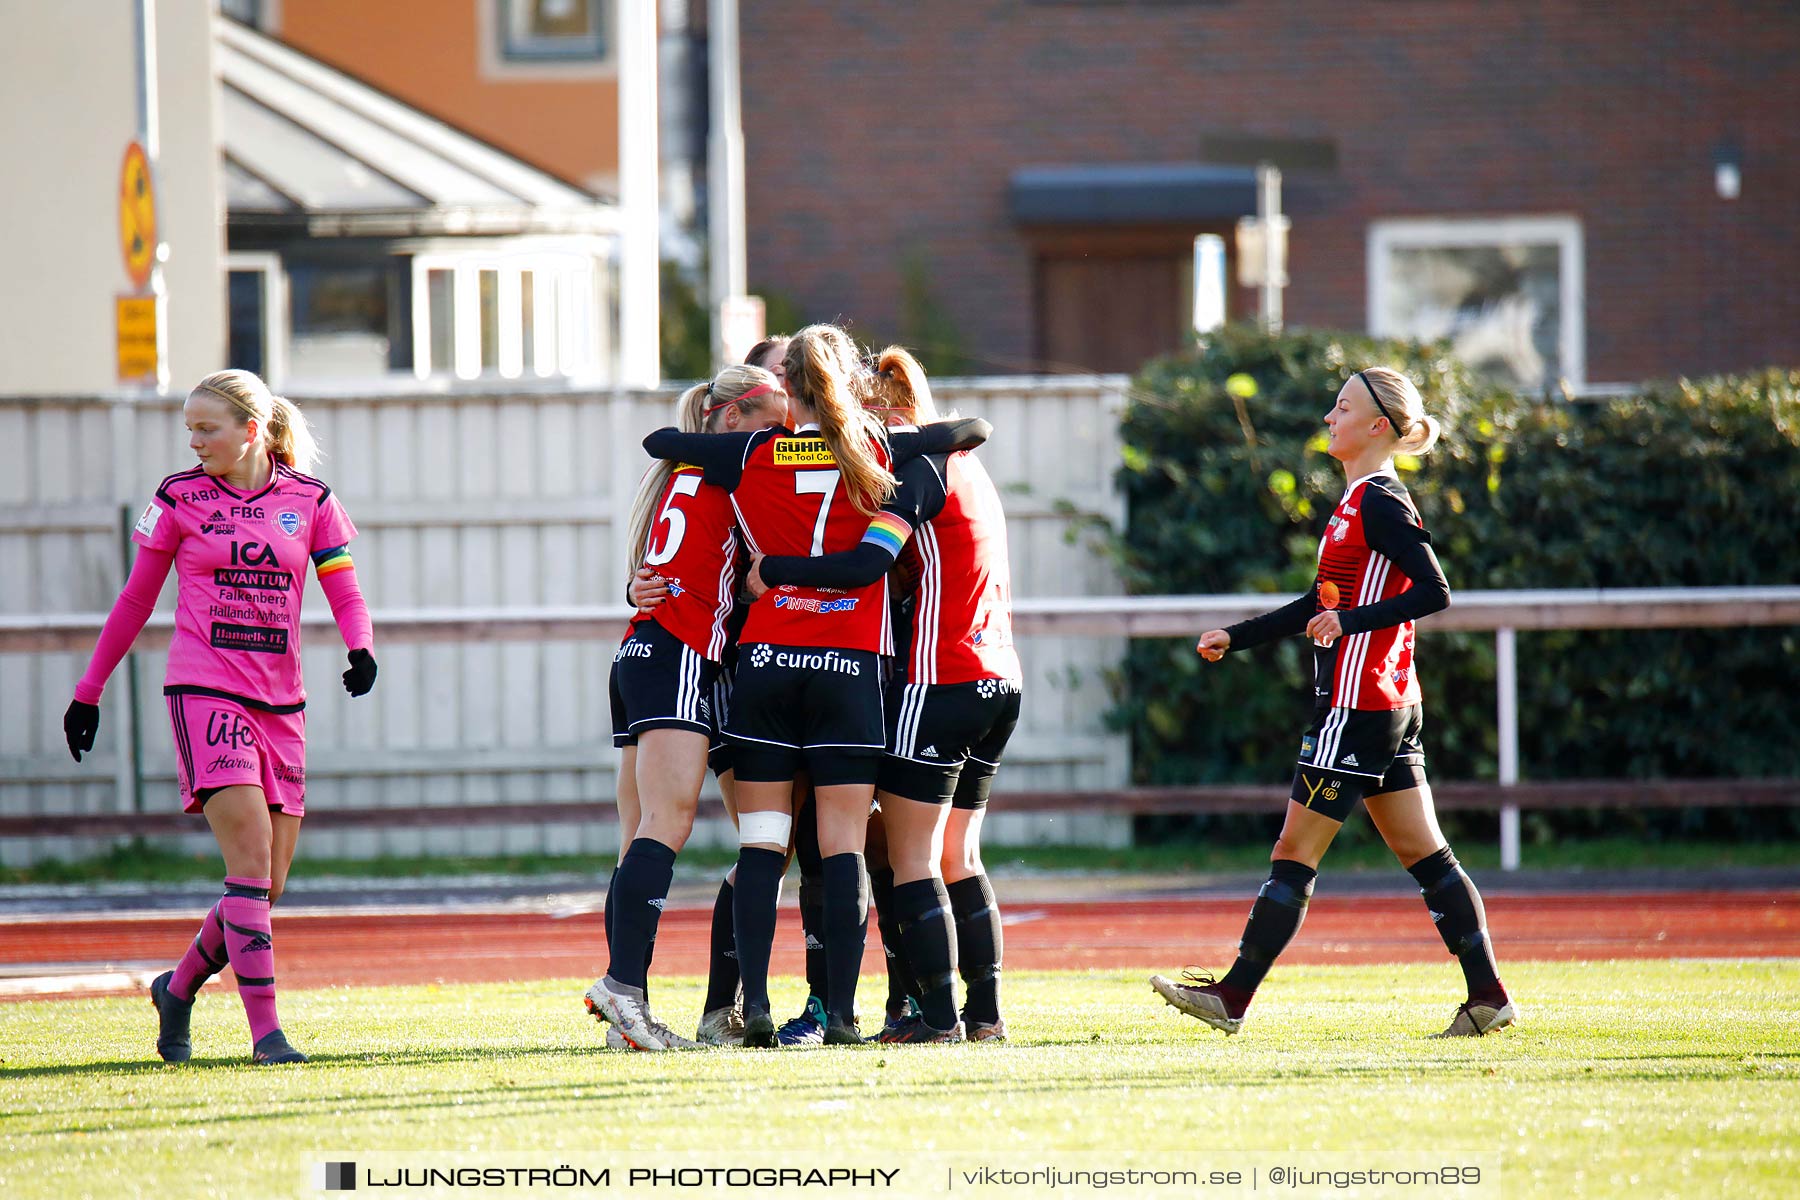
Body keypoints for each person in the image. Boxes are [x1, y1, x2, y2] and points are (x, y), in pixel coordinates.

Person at [640, 323, 988, 1046]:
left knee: (762, 845)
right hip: (850, 669)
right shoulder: (878, 449)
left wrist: (744, 439)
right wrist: (872, 438)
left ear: (786, 390)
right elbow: (968, 430)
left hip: (767, 664)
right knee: (844, 850)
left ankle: (754, 1005)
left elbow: (660, 446)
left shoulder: (752, 450)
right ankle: (842, 1015)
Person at [1150, 367, 1516, 1039]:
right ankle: (1487, 994)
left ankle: (1232, 998)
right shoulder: (1353, 502)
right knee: (1426, 855)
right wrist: (1239, 636)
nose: (1328, 416)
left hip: (1359, 706)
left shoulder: (1380, 501)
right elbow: (1320, 605)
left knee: (1295, 849)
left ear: (1378, 426)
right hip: (1386, 702)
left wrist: (1352, 623)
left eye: (1342, 407)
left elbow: (1435, 592)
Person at [62, 369, 375, 1065]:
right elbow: (135, 601)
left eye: (207, 429)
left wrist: (361, 648)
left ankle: (176, 989)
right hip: (205, 693)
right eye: (190, 430)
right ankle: (267, 1035)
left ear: (251, 431)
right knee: (248, 865)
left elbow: (345, 589)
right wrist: (89, 691)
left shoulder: (311, 500)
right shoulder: (178, 497)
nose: (194, 442)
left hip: (282, 704)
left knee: (267, 886)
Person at [748, 346, 1021, 1044]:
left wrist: (775, 568)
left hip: (944, 678)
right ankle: (985, 1018)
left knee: (909, 861)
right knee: (959, 855)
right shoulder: (971, 468)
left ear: (878, 413)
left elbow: (870, 563)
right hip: (999, 678)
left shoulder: (917, 472)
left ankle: (936, 1021)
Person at [586, 364, 788, 1051]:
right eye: (772, 421)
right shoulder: (733, 466)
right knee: (666, 823)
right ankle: (621, 989)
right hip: (676, 651)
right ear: (731, 419)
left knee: (644, 827)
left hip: (645, 651)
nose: (783, 437)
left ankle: (630, 1014)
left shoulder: (686, 471)